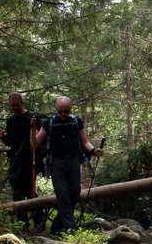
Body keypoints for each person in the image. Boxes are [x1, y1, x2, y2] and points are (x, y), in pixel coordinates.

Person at [30, 95, 104, 235]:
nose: (63, 114)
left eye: (66, 111)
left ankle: (55, 228)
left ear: (71, 110)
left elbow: (85, 142)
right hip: (56, 163)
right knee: (63, 196)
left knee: (74, 194)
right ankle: (71, 232)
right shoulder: (49, 123)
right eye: (61, 111)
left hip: (74, 161)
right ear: (56, 109)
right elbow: (35, 144)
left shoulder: (76, 122)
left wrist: (94, 151)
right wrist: (33, 128)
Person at [0, 92, 45, 230]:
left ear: (22, 103)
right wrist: (2, 137)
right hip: (15, 160)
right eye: (13, 106)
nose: (15, 108)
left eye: (17, 105)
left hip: (30, 159)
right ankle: (22, 224)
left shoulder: (33, 117)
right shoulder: (10, 121)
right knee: (16, 191)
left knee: (30, 189)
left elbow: (40, 137)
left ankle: (39, 221)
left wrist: (34, 126)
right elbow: (11, 142)